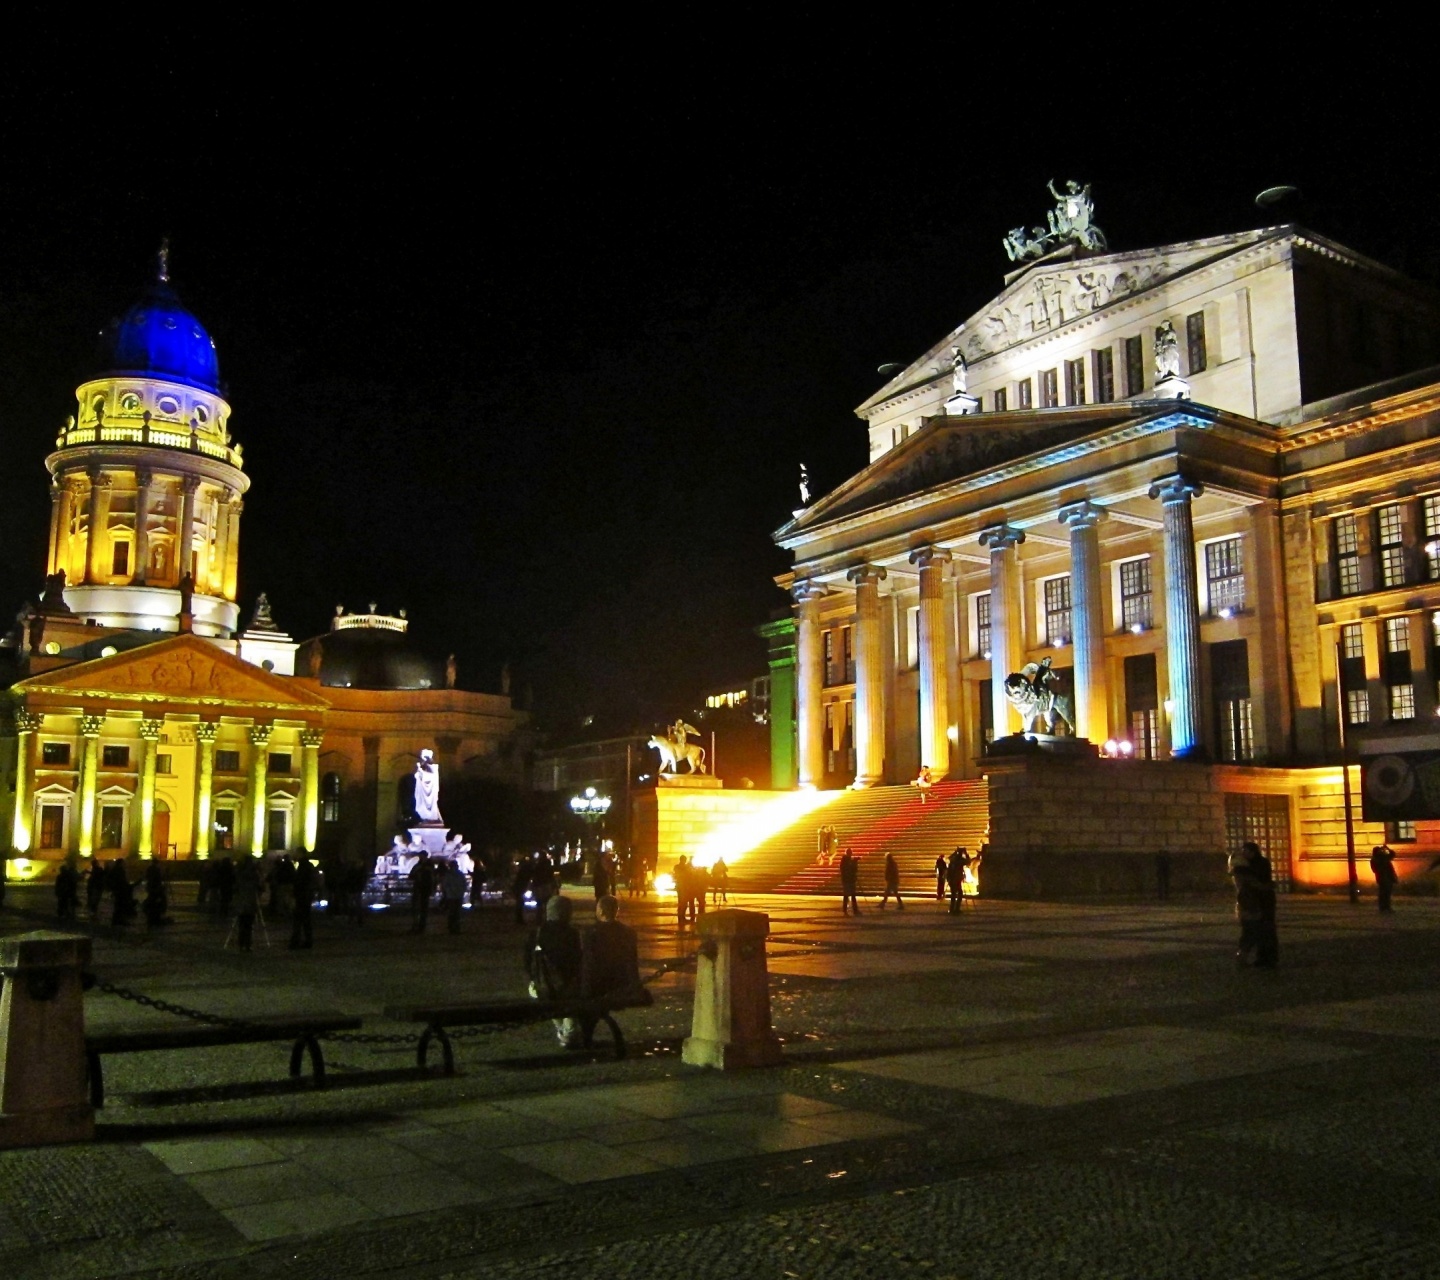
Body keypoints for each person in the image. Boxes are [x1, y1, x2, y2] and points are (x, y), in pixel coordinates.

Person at [526, 894, 583, 1047]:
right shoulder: (572, 934)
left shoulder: (537, 933)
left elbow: (527, 962)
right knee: (570, 995)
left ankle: (564, 1031)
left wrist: (534, 977)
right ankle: (568, 1033)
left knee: (544, 993)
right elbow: (577, 961)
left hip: (543, 986)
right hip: (567, 987)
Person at [234, 855, 262, 952]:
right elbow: (260, 887)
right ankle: (248, 944)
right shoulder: (254, 874)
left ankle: (241, 943)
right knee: (249, 925)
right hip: (251, 902)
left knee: (242, 924)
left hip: (242, 902)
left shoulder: (240, 873)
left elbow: (236, 887)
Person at [289, 855, 316, 949]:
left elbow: (300, 882)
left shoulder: (303, 867)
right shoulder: (308, 866)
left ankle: (296, 942)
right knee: (306, 920)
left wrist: (295, 892)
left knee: (299, 920)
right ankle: (307, 941)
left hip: (302, 896)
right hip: (306, 896)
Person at [409, 852, 436, 934]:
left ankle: (421, 926)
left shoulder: (429, 866)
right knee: (417, 908)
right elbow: (411, 876)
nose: (421, 857)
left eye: (422, 856)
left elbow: (433, 877)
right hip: (418, 889)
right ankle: (416, 925)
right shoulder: (418, 866)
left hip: (424, 889)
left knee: (423, 908)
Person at [441, 859, 467, 934]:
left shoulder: (448, 874)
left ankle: (452, 927)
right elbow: (464, 884)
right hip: (458, 895)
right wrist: (462, 891)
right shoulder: (460, 874)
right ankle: (456, 927)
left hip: (451, 896)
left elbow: (445, 885)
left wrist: (447, 892)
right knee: (457, 913)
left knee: (452, 912)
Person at [1370, 844, 1398, 912]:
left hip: (1388, 877)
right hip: (1382, 878)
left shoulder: (1383, 857)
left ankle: (1386, 907)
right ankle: (1383, 907)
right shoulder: (1376, 859)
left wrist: (1387, 849)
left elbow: (1393, 854)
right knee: (1383, 893)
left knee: (1387, 893)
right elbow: (1375, 869)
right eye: (1379, 851)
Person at [142, 860, 169, 930]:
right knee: (157, 902)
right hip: (156, 889)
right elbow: (159, 879)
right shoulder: (156, 870)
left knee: (152, 901)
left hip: (151, 888)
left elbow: (147, 877)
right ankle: (155, 917)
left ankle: (152, 917)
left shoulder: (149, 869)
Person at [55, 857, 80, 922]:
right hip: (67, 892)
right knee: (66, 903)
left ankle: (63, 914)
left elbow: (58, 885)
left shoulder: (61, 876)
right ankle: (67, 915)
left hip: (65, 892)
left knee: (63, 903)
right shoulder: (66, 875)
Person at [946, 847, 970, 915]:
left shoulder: (953, 860)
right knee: (959, 894)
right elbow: (968, 861)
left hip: (952, 879)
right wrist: (966, 853)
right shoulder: (960, 860)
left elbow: (949, 858)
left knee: (954, 894)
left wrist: (955, 852)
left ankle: (952, 908)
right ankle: (955, 908)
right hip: (956, 879)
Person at [839, 848, 861, 915]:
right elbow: (852, 869)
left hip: (847, 880)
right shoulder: (847, 861)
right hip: (849, 880)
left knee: (848, 895)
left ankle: (847, 910)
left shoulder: (845, 861)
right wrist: (855, 862)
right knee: (851, 895)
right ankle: (853, 910)